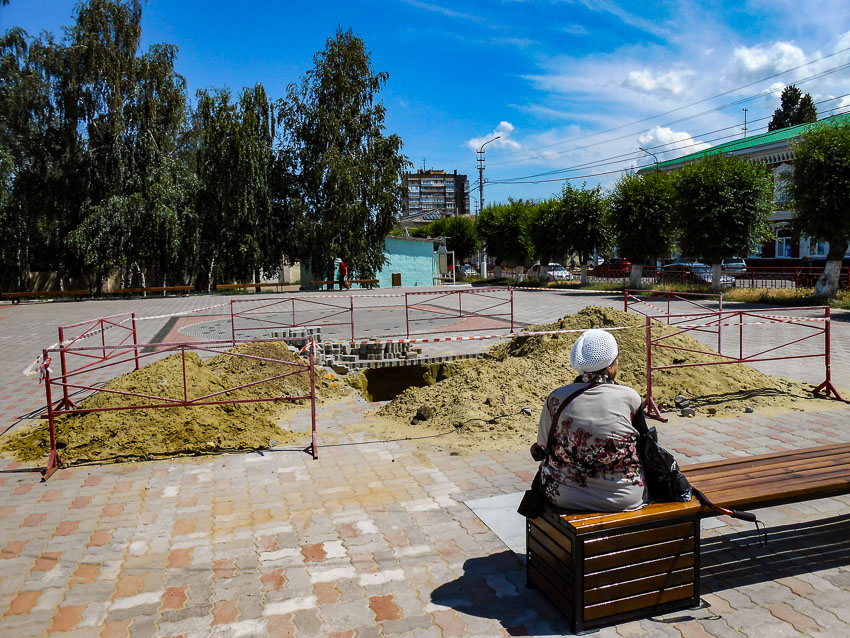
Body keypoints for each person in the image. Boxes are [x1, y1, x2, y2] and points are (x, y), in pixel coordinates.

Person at [529, 329, 646, 512]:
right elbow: (644, 445)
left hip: (564, 496)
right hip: (624, 497)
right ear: (609, 366)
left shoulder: (556, 398)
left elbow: (543, 446)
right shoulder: (631, 398)